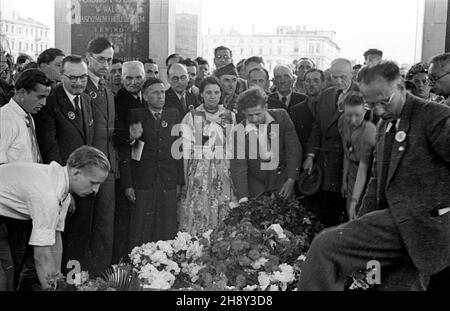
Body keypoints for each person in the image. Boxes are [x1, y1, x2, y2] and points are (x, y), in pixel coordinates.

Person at [298, 60, 450, 291]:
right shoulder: (385, 125)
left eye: (383, 102)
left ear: (400, 86)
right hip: (398, 225)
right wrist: (360, 222)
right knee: (395, 285)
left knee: (325, 246)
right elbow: (377, 180)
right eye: (371, 106)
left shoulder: (434, 116)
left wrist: (441, 212)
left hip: (422, 224)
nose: (378, 111)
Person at [0, 146, 110, 290]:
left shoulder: (62, 188)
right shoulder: (48, 195)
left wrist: (57, 282)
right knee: (3, 281)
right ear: (76, 172)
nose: (96, 190)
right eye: (93, 183)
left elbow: (55, 238)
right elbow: (41, 256)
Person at [34, 55, 95, 274]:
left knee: (79, 240)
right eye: (73, 78)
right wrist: (64, 191)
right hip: (62, 187)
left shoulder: (87, 99)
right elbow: (50, 149)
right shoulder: (51, 103)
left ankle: (75, 282)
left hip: (84, 185)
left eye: (83, 77)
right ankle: (59, 283)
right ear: (62, 75)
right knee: (59, 240)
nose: (79, 82)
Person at [119, 78, 184, 248]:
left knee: (167, 228)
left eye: (162, 92)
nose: (160, 96)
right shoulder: (136, 115)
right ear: (145, 97)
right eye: (155, 92)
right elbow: (129, 152)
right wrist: (128, 184)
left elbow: (178, 150)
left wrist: (179, 181)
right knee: (141, 229)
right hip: (144, 181)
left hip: (168, 180)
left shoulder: (173, 114)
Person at [302, 58, 358, 227]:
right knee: (326, 213)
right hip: (325, 165)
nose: (339, 81)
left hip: (346, 165)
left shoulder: (362, 95)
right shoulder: (326, 95)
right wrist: (310, 155)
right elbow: (317, 128)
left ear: (352, 74)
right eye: (334, 77)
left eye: (343, 77)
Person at [179, 76, 237, 235]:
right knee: (200, 209)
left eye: (216, 92)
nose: (212, 96)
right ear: (202, 94)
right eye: (208, 92)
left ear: (221, 94)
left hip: (223, 171)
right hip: (199, 172)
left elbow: (232, 147)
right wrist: (184, 180)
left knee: (222, 209)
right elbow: (185, 151)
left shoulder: (230, 116)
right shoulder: (191, 115)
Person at [230, 87, 302, 203]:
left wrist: (291, 180)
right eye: (250, 115)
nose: (254, 119)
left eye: (258, 114)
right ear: (243, 112)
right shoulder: (238, 131)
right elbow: (239, 166)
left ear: (266, 108)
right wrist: (243, 199)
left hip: (282, 183)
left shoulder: (282, 117)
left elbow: (293, 150)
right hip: (256, 188)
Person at [84, 37, 118, 276]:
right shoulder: (82, 86)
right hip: (88, 168)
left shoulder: (106, 88)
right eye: (101, 59)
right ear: (89, 58)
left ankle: (102, 274)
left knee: (106, 224)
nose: (106, 65)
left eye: (110, 60)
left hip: (108, 166)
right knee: (86, 224)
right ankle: (85, 274)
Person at [112, 60, 146, 261]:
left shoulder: (147, 97)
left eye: (138, 77)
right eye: (129, 78)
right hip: (128, 170)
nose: (134, 82)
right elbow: (118, 139)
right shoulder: (118, 102)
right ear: (121, 79)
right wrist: (131, 136)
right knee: (125, 223)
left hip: (145, 170)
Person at [338, 91, 376, 219]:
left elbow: (363, 169)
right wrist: (344, 180)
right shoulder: (343, 122)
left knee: (359, 212)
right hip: (352, 174)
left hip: (367, 176)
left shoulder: (369, 131)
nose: (353, 120)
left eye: (357, 115)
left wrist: (354, 200)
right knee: (351, 214)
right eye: (349, 115)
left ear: (365, 112)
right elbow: (347, 152)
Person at [1, 69, 51, 165]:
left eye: (46, 97)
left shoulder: (28, 117)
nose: (44, 103)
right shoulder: (4, 119)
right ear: (22, 93)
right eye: (40, 97)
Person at [290, 69, 325, 159]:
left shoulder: (330, 107)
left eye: (316, 80)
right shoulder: (295, 111)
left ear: (323, 83)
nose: (311, 84)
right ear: (303, 83)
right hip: (303, 158)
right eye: (308, 81)